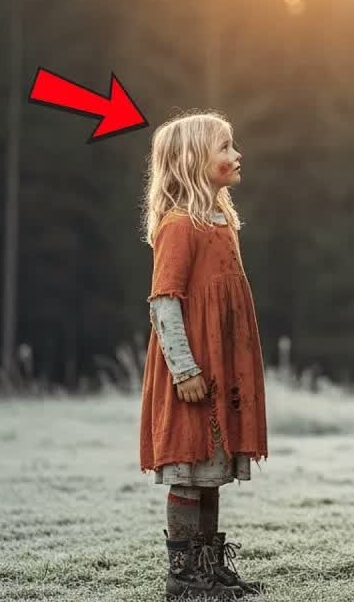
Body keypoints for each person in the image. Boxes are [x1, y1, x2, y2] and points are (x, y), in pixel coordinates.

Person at [139, 112, 268, 600]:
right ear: (194, 160)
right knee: (188, 469)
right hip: (193, 374)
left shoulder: (222, 221)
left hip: (221, 371)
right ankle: (183, 577)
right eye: (225, 148)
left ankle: (209, 570)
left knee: (211, 471)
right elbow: (164, 303)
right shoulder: (179, 226)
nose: (237, 155)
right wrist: (185, 369)